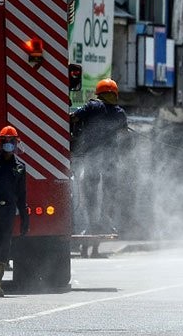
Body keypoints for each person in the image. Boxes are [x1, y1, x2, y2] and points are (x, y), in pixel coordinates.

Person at [70, 78, 128, 258]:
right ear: (115, 94)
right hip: (109, 163)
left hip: (91, 159)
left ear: (99, 93)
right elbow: (124, 135)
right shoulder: (119, 113)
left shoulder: (92, 107)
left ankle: (86, 243)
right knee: (106, 200)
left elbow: (73, 117)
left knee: (88, 202)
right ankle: (98, 241)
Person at [0, 126, 30, 297]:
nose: (8, 144)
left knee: (3, 246)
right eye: (4, 141)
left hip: (7, 212)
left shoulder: (20, 168)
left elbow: (21, 196)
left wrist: (24, 217)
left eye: (11, 141)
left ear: (16, 143)